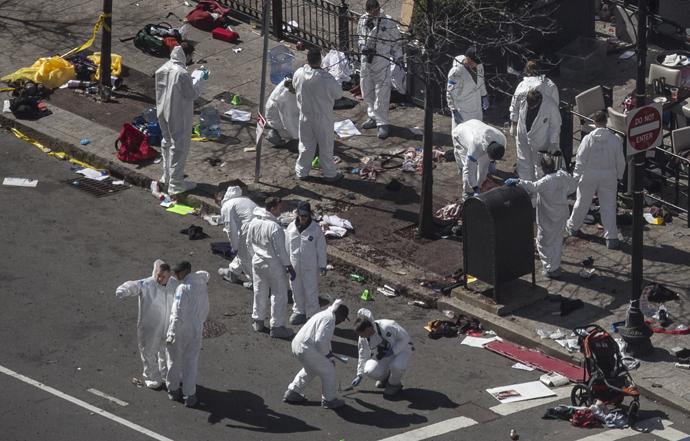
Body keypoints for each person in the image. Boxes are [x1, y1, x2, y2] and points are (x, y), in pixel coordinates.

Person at [506, 155, 577, 278]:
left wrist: (518, 181)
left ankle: (550, 268)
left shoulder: (546, 181)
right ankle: (555, 265)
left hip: (549, 215)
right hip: (561, 212)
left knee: (543, 242)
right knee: (557, 239)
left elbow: (532, 187)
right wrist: (565, 193)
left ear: (543, 168)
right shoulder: (563, 175)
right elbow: (574, 186)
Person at [566, 111, 626, 249]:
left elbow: (580, 161)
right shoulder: (614, 140)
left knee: (582, 202)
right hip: (608, 175)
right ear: (606, 122)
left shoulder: (587, 140)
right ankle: (611, 237)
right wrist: (619, 176)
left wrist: (576, 177)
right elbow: (621, 162)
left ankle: (573, 226)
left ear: (594, 123)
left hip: (589, 174)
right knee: (609, 206)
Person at [116, 260, 179, 390]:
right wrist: (124, 290)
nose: (160, 279)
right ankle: (151, 376)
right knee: (148, 351)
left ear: (169, 276)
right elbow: (134, 285)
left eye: (163, 277)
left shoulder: (174, 284)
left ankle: (166, 374)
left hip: (167, 325)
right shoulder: (148, 284)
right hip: (150, 326)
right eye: (158, 275)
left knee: (166, 351)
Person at [155, 42, 208, 195]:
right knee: (179, 146)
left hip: (162, 111)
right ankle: (176, 183)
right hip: (177, 113)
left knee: (167, 142)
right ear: (187, 55)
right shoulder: (181, 73)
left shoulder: (164, 68)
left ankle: (167, 175)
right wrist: (200, 80)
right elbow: (191, 93)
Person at [284, 300, 350, 409]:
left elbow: (323, 341)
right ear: (339, 314)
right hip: (307, 348)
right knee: (329, 371)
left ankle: (293, 391)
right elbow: (320, 341)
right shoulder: (329, 319)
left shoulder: (323, 314)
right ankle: (330, 400)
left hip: (297, 345)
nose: (342, 321)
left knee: (310, 369)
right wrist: (328, 355)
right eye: (343, 318)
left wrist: (329, 354)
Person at [246, 196, 295, 338]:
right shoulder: (275, 227)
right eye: (280, 208)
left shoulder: (254, 221)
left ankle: (258, 320)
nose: (282, 210)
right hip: (273, 266)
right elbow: (281, 251)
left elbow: (249, 243)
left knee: (259, 291)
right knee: (278, 296)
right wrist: (289, 266)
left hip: (257, 262)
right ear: (272, 209)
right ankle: (277, 326)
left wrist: (253, 258)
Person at [293, 48, 344, 182]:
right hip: (322, 116)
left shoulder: (299, 73)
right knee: (326, 145)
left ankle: (302, 171)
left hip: (305, 115)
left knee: (305, 144)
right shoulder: (326, 78)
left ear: (307, 59)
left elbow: (293, 85)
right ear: (320, 61)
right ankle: (329, 173)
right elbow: (338, 94)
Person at [165, 261, 210, 408]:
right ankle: (189, 394)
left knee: (174, 359)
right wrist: (200, 323)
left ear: (187, 271)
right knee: (191, 360)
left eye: (179, 272)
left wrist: (172, 332)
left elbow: (177, 313)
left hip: (182, 328)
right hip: (197, 327)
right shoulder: (202, 286)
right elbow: (206, 308)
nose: (176, 275)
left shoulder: (182, 289)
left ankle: (173, 390)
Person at [357, 0, 402, 139]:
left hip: (381, 61)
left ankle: (382, 122)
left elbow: (397, 41)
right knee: (366, 90)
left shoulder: (387, 22)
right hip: (366, 61)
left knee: (381, 93)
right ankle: (372, 116)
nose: (371, 13)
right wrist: (362, 47)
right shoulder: (363, 20)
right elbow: (360, 37)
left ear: (377, 8)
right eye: (368, 11)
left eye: (373, 10)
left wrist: (399, 57)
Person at [350, 308, 411, 396]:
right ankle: (386, 379)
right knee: (370, 370)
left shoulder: (388, 325)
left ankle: (394, 384)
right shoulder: (363, 338)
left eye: (361, 335)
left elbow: (405, 337)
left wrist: (393, 351)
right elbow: (363, 354)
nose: (361, 337)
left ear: (367, 329)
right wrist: (360, 375)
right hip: (384, 355)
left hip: (402, 350)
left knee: (396, 366)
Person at [286, 201, 328, 325]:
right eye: (301, 214)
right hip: (294, 266)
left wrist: (323, 264)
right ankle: (299, 311)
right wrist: (286, 264)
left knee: (311, 290)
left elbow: (321, 248)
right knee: (296, 289)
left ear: (309, 214)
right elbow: (286, 246)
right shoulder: (291, 228)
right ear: (297, 213)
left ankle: (312, 315)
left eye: (306, 215)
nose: (303, 217)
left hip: (310, 266)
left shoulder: (315, 229)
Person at [452, 120, 506, 200]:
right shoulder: (475, 147)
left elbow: (488, 162)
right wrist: (474, 187)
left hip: (476, 124)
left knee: (484, 167)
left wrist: (492, 162)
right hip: (460, 135)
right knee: (466, 167)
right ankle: (468, 192)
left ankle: (480, 185)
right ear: (488, 151)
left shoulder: (502, 139)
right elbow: (469, 168)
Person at [515, 90, 562, 183]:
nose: (531, 108)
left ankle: (540, 192)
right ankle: (526, 189)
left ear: (539, 100)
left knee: (541, 168)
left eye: (534, 106)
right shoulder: (522, 98)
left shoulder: (550, 105)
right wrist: (513, 122)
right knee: (523, 163)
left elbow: (555, 125)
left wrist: (553, 142)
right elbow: (514, 107)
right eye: (530, 106)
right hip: (523, 137)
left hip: (541, 141)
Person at [217, 185, 258, 289]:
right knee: (245, 251)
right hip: (261, 227)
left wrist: (234, 246)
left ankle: (256, 282)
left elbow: (231, 231)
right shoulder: (244, 199)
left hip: (249, 230)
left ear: (219, 198)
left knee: (245, 256)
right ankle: (232, 273)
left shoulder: (227, 206)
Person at [509, 61, 559, 137]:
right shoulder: (550, 85)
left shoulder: (522, 85)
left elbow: (515, 105)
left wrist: (513, 124)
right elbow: (555, 106)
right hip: (543, 125)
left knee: (525, 146)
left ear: (526, 71)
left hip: (525, 124)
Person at [446, 47, 488, 131]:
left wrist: (484, 96)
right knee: (463, 135)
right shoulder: (456, 71)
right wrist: (454, 110)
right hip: (463, 110)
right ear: (468, 59)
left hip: (477, 108)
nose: (477, 64)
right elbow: (450, 92)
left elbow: (481, 81)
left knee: (477, 134)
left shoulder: (479, 66)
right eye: (475, 62)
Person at [265, 75, 299, 146]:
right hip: (277, 120)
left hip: (287, 114)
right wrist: (298, 138)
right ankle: (276, 134)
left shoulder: (289, 87)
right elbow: (287, 122)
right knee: (303, 131)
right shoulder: (284, 99)